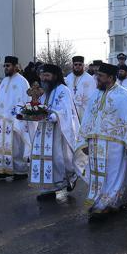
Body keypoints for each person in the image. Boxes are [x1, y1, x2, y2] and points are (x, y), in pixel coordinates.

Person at [76, 63, 127, 218]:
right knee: (99, 174)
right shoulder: (96, 94)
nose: (97, 79)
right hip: (95, 143)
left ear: (110, 77)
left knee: (114, 173)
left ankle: (106, 204)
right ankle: (112, 200)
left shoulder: (123, 95)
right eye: (96, 76)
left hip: (115, 143)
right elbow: (88, 118)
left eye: (100, 76)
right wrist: (84, 141)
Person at [29, 64, 86, 199]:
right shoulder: (44, 91)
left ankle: (71, 176)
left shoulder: (63, 90)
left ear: (54, 76)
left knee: (61, 158)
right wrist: (32, 112)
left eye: (47, 75)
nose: (44, 78)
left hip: (59, 130)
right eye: (42, 75)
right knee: (45, 158)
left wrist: (53, 116)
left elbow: (65, 111)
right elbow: (40, 106)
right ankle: (48, 188)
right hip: (44, 129)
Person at [0, 56, 33, 180]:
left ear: (16, 66)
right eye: (4, 66)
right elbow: (0, 99)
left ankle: (20, 170)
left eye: (8, 65)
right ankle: (1, 169)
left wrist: (19, 117)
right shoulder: (4, 81)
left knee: (15, 145)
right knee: (1, 144)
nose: (6, 68)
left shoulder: (22, 81)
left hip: (14, 119)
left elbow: (24, 100)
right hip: (2, 119)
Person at [65, 55, 97, 121]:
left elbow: (92, 95)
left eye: (80, 65)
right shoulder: (68, 77)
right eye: (75, 64)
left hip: (83, 109)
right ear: (73, 66)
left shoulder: (89, 78)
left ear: (83, 66)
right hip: (70, 108)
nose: (77, 66)